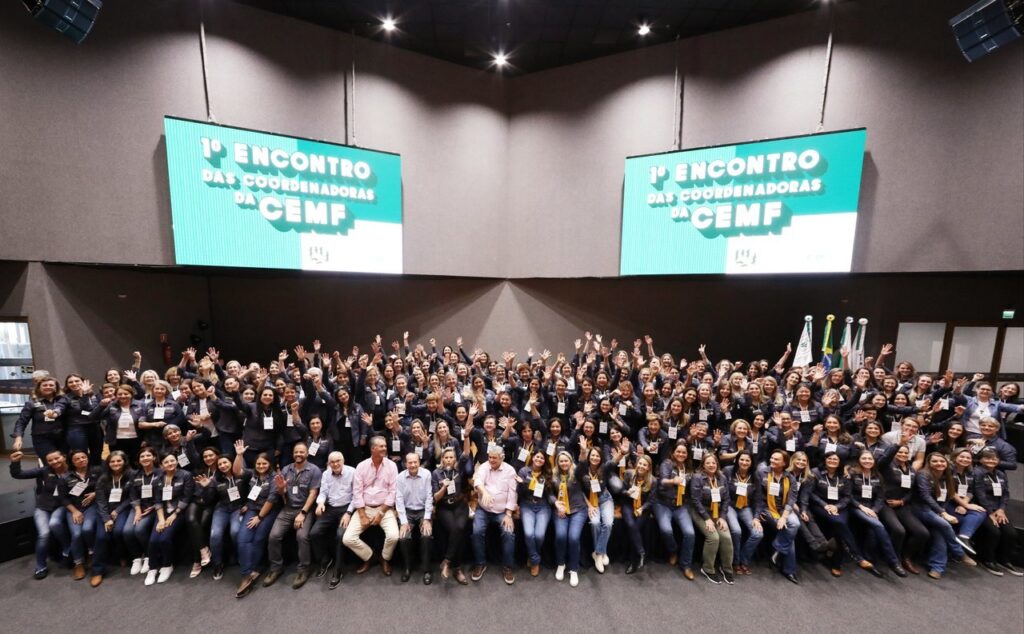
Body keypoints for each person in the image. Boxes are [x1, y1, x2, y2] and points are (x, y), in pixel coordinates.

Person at [261, 442, 322, 589]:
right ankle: (276, 568)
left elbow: (313, 494)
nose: (298, 454)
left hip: (305, 509)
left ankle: (303, 569)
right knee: (273, 536)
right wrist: (281, 489)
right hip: (287, 509)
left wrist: (303, 513)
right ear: (293, 454)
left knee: (301, 536)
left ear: (307, 453)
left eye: (301, 452)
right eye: (296, 452)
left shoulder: (314, 470)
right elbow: (282, 492)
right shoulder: (286, 469)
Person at [913, 452, 977, 579]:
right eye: (935, 461)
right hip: (920, 508)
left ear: (947, 464)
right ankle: (959, 553)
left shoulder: (947, 477)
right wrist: (943, 513)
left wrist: (941, 510)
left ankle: (937, 568)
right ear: (929, 463)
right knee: (945, 525)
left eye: (942, 461)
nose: (939, 463)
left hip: (936, 511)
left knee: (940, 533)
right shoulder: (923, 475)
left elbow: (947, 496)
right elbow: (925, 497)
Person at [9, 449, 70, 580]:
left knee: (55, 524)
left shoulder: (72, 471)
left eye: (57, 458)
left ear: (64, 457)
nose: (54, 462)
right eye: (50, 460)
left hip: (62, 506)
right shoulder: (45, 471)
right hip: (43, 507)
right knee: (44, 534)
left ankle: (67, 549)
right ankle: (40, 566)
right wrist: (15, 462)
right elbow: (18, 474)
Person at [343, 436, 400, 576]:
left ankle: (385, 558)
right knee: (348, 538)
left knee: (394, 536)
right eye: (381, 446)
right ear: (372, 449)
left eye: (385, 446)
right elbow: (357, 492)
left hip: (385, 509)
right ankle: (370, 557)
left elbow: (393, 492)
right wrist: (362, 514)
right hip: (365, 508)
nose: (385, 448)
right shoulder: (361, 466)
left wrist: (381, 513)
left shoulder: (392, 466)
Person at [847, 450, 908, 576]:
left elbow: (880, 497)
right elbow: (848, 495)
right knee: (878, 525)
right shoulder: (852, 473)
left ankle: (870, 561)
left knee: (873, 532)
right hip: (856, 506)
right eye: (864, 458)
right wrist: (861, 507)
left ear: (874, 461)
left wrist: (875, 510)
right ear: (859, 460)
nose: (867, 461)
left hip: (872, 507)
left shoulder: (877, 475)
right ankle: (893, 562)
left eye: (870, 459)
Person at [232, 445, 278, 598]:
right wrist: (239, 455)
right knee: (242, 538)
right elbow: (236, 471)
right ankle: (247, 574)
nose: (261, 466)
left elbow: (271, 499)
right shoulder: (252, 473)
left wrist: (260, 517)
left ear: (270, 464)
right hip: (252, 508)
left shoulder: (274, 477)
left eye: (264, 463)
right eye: (258, 463)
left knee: (258, 538)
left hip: (268, 511)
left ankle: (255, 568)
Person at [470, 443, 518, 585]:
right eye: (490, 457)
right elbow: (478, 481)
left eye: (494, 458)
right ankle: (480, 563)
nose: (491, 460)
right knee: (476, 532)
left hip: (502, 511)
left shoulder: (510, 471)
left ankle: (507, 566)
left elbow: (512, 494)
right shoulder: (484, 467)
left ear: (502, 458)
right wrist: (484, 492)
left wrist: (508, 514)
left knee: (508, 532)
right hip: (483, 510)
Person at [879, 444, 929, 574]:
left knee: (922, 532)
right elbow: (884, 460)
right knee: (899, 530)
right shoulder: (887, 466)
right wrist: (898, 444)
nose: (903, 455)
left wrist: (902, 501)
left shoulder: (911, 469)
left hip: (902, 504)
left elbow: (912, 490)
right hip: (886, 504)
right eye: (900, 452)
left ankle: (906, 558)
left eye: (906, 453)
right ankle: (894, 560)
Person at [145, 453, 194, 585]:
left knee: (164, 538)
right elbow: (157, 501)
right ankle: (152, 568)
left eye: (172, 460)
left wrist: (175, 514)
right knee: (153, 540)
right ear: (161, 465)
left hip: (179, 512)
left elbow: (187, 497)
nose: (170, 463)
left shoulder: (186, 475)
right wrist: (161, 519)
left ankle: (167, 565)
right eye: (166, 462)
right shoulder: (157, 479)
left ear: (177, 461)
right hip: (162, 513)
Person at [971, 448, 1021, 576]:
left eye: (994, 459)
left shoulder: (1000, 474)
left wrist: (1001, 509)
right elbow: (980, 494)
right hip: (981, 508)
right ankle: (987, 559)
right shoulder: (977, 472)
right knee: (994, 531)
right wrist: (990, 512)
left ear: (998, 460)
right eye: (987, 458)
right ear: (981, 460)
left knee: (1011, 533)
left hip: (998, 509)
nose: (991, 461)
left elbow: (1005, 493)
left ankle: (1003, 559)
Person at [309, 451, 355, 589]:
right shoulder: (326, 474)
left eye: (338, 461)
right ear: (329, 463)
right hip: (330, 508)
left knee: (340, 536)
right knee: (314, 533)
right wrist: (320, 503)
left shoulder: (352, 472)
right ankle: (325, 559)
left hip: (346, 508)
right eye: (332, 462)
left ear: (343, 461)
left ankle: (338, 570)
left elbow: (356, 495)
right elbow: (323, 492)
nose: (335, 464)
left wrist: (348, 513)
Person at [756, 450, 801, 584]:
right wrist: (757, 514)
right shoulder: (762, 473)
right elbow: (757, 497)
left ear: (784, 463)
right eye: (772, 458)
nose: (772, 461)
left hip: (783, 509)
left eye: (776, 459)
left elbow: (791, 500)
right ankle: (789, 570)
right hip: (767, 508)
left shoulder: (790, 477)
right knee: (788, 530)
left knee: (794, 524)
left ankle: (777, 550)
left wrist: (784, 517)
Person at [654, 441, 696, 579]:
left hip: (681, 505)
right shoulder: (667, 464)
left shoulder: (689, 468)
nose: (681, 454)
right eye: (678, 451)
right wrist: (673, 481)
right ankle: (673, 551)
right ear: (673, 453)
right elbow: (662, 481)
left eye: (684, 452)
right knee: (666, 530)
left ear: (687, 454)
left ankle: (686, 565)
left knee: (690, 533)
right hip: (663, 503)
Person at [91, 450, 133, 586]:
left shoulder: (131, 475)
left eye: (119, 460)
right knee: (101, 537)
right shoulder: (103, 479)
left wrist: (118, 510)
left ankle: (122, 555)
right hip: (104, 511)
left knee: (119, 531)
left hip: (123, 509)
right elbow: (100, 500)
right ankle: (97, 571)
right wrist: (106, 518)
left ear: (124, 461)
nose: (116, 463)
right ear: (108, 464)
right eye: (112, 461)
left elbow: (132, 497)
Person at [60, 449, 102, 580]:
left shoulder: (97, 471)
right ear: (72, 462)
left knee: (87, 529)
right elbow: (63, 498)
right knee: (76, 534)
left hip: (92, 506)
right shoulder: (66, 477)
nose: (81, 460)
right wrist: (74, 511)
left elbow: (106, 486)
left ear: (87, 458)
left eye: (83, 457)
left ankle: (92, 553)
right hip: (74, 509)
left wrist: (95, 494)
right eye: (77, 459)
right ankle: (78, 563)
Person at [432, 447, 471, 584]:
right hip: (444, 507)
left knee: (459, 528)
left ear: (455, 459)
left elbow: (466, 454)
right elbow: (435, 498)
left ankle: (447, 561)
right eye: (446, 457)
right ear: (442, 459)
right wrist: (444, 487)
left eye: (451, 457)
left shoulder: (459, 470)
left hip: (460, 506)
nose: (449, 460)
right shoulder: (436, 473)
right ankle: (457, 568)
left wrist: (466, 436)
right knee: (456, 530)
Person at [396, 451, 434, 584]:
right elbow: (399, 500)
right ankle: (407, 567)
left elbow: (429, 497)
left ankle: (427, 569)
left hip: (423, 511)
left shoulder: (426, 474)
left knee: (426, 535)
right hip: (408, 512)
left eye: (415, 462)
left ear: (419, 462)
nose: (413, 465)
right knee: (403, 537)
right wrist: (403, 521)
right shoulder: (400, 477)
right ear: (405, 464)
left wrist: (427, 518)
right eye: (410, 462)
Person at [549, 450, 587, 587]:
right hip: (561, 511)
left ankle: (573, 569)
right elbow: (548, 493)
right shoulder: (553, 475)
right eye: (561, 461)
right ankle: (561, 564)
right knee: (560, 536)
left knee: (573, 538)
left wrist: (583, 453)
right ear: (557, 463)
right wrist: (556, 503)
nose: (564, 463)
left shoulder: (577, 473)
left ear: (571, 461)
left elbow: (582, 466)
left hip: (578, 510)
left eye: (566, 460)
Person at [724, 452, 762, 575]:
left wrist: (756, 517)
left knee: (758, 533)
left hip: (746, 507)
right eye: (742, 459)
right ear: (737, 460)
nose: (744, 462)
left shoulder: (755, 475)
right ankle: (735, 562)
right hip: (730, 506)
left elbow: (758, 499)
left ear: (751, 463)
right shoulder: (728, 471)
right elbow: (723, 493)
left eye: (747, 460)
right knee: (736, 531)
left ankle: (743, 560)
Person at [126, 447, 161, 577]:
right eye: (142, 456)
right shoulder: (134, 474)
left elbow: (164, 492)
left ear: (154, 457)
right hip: (139, 507)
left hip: (154, 507)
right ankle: (137, 558)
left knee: (139, 529)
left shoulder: (161, 473)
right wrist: (137, 510)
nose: (145, 458)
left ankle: (149, 555)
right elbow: (132, 494)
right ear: (139, 460)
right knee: (127, 531)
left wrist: (155, 506)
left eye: (148, 455)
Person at [12, 376, 67, 457]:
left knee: (64, 461)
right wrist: (18, 438)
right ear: (39, 388)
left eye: (51, 385)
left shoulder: (62, 400)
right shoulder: (32, 403)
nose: (48, 387)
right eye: (45, 385)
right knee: (50, 461)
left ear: (56, 387)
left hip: (62, 437)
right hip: (42, 438)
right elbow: (21, 422)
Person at [517, 448, 551, 577]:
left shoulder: (547, 473)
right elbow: (519, 492)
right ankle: (535, 560)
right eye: (537, 457)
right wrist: (522, 484)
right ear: (532, 457)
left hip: (543, 506)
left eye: (542, 458)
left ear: (545, 461)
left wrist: (556, 503)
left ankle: (531, 556)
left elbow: (549, 494)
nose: (539, 459)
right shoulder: (524, 471)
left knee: (539, 535)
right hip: (527, 505)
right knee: (529, 533)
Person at [581, 446, 615, 573]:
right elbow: (580, 491)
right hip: (590, 501)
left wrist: (622, 452)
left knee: (608, 523)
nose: (595, 458)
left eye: (598, 456)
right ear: (589, 456)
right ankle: (601, 552)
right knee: (595, 523)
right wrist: (589, 505)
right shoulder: (582, 470)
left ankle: (598, 553)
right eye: (593, 455)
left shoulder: (604, 468)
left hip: (605, 499)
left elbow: (614, 461)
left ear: (601, 458)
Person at [620, 454, 656, 574]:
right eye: (640, 463)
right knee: (631, 525)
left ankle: (633, 561)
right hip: (628, 504)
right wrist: (627, 492)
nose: (641, 466)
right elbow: (621, 491)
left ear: (648, 468)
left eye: (644, 465)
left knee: (636, 527)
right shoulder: (629, 474)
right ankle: (641, 552)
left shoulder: (653, 481)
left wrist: (642, 508)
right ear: (636, 464)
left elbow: (651, 500)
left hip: (643, 507)